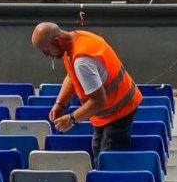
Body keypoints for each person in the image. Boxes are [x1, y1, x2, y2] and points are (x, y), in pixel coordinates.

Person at [32, 21, 142, 154]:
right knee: (98, 152)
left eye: (47, 51)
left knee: (109, 160)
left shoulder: (82, 61)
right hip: (109, 111)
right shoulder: (78, 38)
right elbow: (73, 76)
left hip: (119, 110)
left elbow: (98, 101)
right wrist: (60, 103)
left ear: (57, 41)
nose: (47, 56)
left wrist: (71, 119)